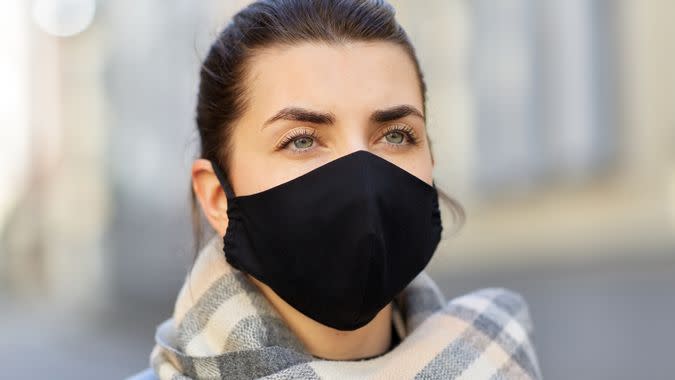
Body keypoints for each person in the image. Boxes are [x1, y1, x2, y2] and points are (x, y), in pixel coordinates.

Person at [128, 0, 542, 379]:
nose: (363, 179)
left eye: (396, 135)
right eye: (302, 140)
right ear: (218, 198)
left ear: (430, 161)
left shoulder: (497, 364)